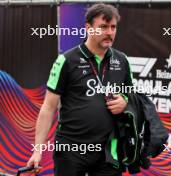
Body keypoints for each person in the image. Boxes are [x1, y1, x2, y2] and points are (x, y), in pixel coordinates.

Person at [27, 3, 133, 176]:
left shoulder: (122, 61)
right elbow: (48, 107)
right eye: (103, 27)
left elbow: (133, 96)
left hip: (107, 151)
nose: (109, 32)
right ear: (88, 28)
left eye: (113, 27)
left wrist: (125, 101)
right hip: (71, 150)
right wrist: (37, 150)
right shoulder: (66, 60)